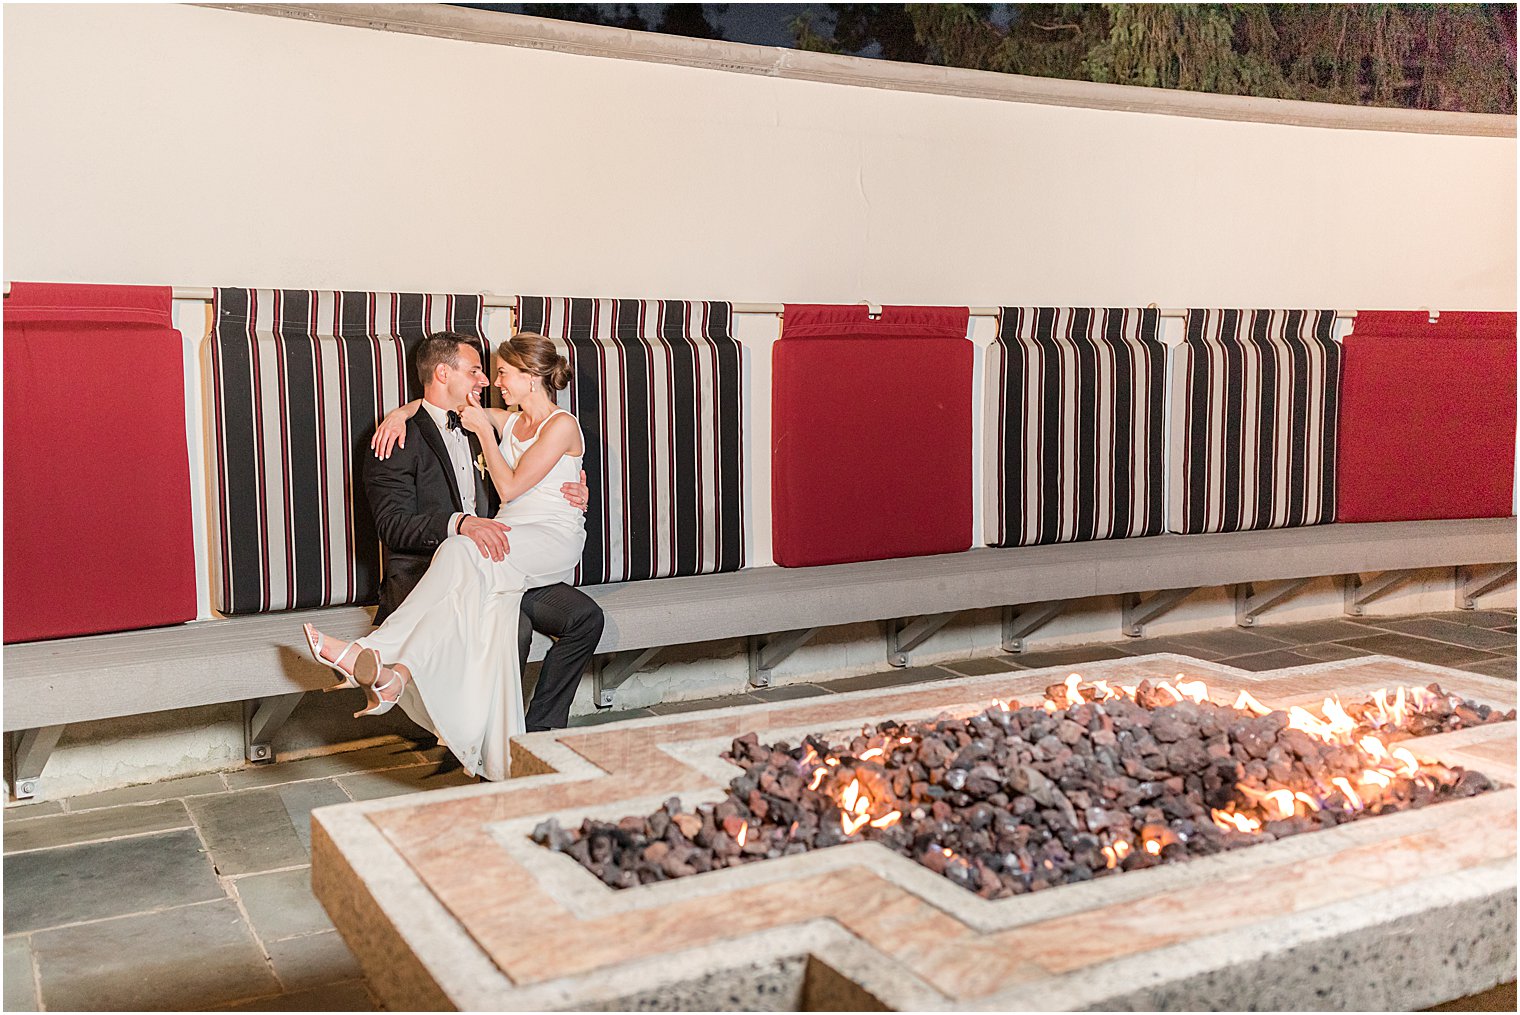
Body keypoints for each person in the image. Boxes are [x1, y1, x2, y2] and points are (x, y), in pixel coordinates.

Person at [302, 332, 601, 778]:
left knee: (585, 618)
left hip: (512, 545)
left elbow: (517, 482)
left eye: (497, 372)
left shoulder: (505, 422)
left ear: (531, 376)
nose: (488, 381)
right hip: (465, 558)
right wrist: (402, 412)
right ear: (444, 374)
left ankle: (536, 732)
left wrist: (576, 493)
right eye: (478, 371)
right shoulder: (404, 437)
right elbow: (393, 524)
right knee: (503, 614)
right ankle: (487, 743)